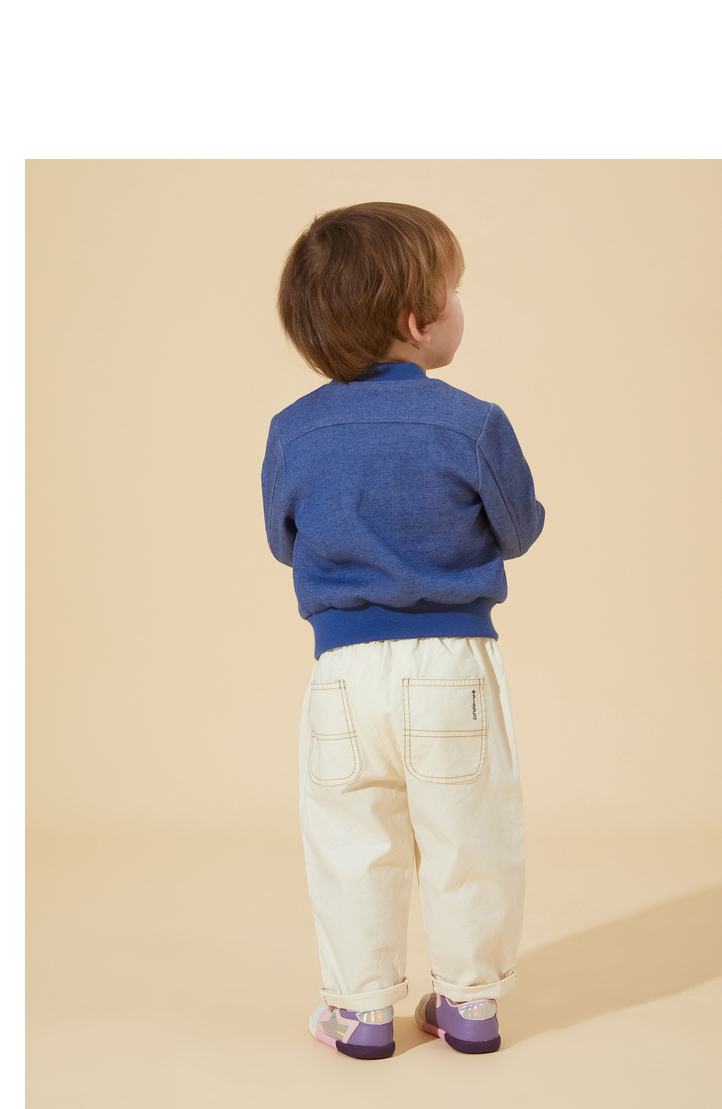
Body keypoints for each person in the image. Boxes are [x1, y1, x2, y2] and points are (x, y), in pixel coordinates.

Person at [261, 201, 545, 1059]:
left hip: (343, 672)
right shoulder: (473, 422)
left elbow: (283, 540)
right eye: (454, 290)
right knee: (469, 834)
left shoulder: (291, 431)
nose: (461, 305)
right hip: (452, 663)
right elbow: (519, 529)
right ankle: (469, 1003)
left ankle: (360, 1012)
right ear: (418, 321)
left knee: (353, 838)